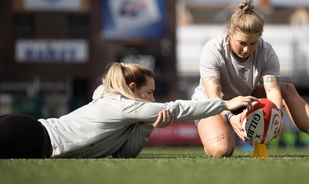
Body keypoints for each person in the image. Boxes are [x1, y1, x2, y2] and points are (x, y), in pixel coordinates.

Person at [192, 0, 309, 158]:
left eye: (253, 43)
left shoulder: (266, 52)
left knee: (287, 89)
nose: (247, 49)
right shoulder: (212, 50)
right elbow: (214, 97)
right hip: (212, 106)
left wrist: (275, 117)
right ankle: (212, 138)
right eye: (242, 43)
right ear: (230, 33)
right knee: (222, 150)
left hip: (245, 99)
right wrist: (230, 118)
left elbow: (273, 91)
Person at [0, 62, 254, 159]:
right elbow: (174, 108)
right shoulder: (120, 105)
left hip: (35, 140)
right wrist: (224, 104)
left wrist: (146, 127)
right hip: (31, 134)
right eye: (149, 92)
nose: (153, 99)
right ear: (132, 88)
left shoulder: (131, 115)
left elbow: (124, 156)